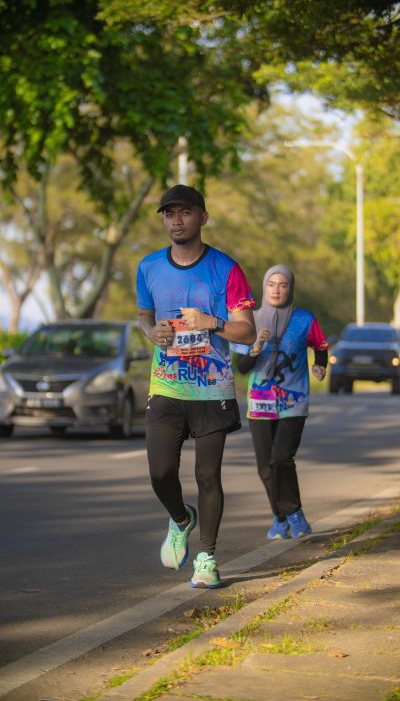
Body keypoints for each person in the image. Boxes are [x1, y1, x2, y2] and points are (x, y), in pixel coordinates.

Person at [136, 184, 256, 588]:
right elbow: (143, 314)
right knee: (160, 472)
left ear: (202, 217)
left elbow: (246, 330)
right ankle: (180, 518)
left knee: (208, 475)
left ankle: (207, 557)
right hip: (166, 384)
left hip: (212, 388)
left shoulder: (226, 269)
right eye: (169, 214)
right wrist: (151, 332)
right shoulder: (149, 267)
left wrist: (212, 322)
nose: (176, 221)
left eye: (185, 212)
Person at [234, 264, 328, 540]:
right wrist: (256, 347)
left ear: (290, 288)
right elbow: (242, 367)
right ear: (264, 288)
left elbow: (321, 345)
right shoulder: (249, 320)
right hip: (260, 402)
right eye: (271, 284)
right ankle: (280, 517)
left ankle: (295, 513)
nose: (276, 290)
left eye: (283, 285)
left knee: (281, 458)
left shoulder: (304, 320)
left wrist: (320, 365)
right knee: (265, 467)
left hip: (293, 400)